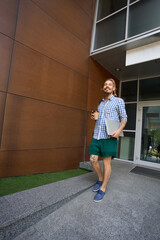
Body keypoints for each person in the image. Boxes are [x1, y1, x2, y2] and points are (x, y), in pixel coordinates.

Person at [88, 78, 127, 202]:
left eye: (110, 84)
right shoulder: (100, 102)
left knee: (106, 162)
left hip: (110, 136)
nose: (107, 86)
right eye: (105, 84)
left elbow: (124, 118)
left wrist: (119, 130)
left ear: (114, 88)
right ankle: (100, 179)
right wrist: (95, 118)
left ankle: (103, 188)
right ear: (103, 88)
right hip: (97, 135)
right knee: (93, 159)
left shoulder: (118, 101)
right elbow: (99, 118)